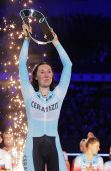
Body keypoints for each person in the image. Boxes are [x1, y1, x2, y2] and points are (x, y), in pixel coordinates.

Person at [19, 22, 72, 171]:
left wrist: (55, 41)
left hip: (54, 146)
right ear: (35, 76)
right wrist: (26, 39)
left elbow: (68, 65)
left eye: (49, 71)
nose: (46, 74)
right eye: (42, 71)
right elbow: (22, 65)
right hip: (32, 147)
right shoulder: (29, 94)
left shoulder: (58, 95)